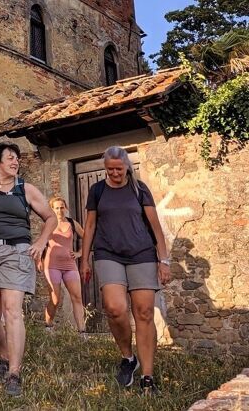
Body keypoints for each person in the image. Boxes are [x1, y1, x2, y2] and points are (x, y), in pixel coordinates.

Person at [0, 142, 57, 397]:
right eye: (10, 158)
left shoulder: (24, 189)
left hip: (16, 253)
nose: (15, 162)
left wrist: (40, 242)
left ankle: (14, 372)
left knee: (12, 311)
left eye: (17, 159)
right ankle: (3, 356)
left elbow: (51, 218)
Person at [79, 146, 171, 396]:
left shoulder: (140, 189)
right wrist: (85, 259)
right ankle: (128, 357)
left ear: (127, 167)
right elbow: (90, 225)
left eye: (119, 169)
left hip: (141, 254)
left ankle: (148, 378)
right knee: (115, 308)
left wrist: (164, 261)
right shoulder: (97, 190)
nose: (115, 173)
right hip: (108, 253)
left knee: (143, 313)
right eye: (110, 169)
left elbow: (155, 227)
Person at [38, 196, 86, 335]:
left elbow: (87, 237)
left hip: (70, 264)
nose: (60, 210)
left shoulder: (72, 223)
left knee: (77, 297)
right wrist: (38, 261)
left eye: (62, 207)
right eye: (57, 208)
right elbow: (41, 243)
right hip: (51, 264)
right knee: (55, 299)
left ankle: (82, 332)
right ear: (52, 209)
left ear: (66, 208)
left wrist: (79, 253)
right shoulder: (47, 224)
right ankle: (48, 326)